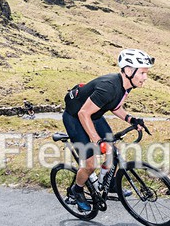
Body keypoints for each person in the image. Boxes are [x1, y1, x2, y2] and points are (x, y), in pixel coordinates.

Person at [62, 48, 151, 211]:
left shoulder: (126, 86)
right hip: (75, 118)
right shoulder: (108, 87)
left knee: (113, 152)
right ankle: (77, 190)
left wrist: (131, 119)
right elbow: (83, 113)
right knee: (90, 164)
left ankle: (109, 184)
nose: (145, 77)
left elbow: (115, 106)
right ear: (129, 71)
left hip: (93, 116)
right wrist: (97, 140)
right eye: (143, 73)